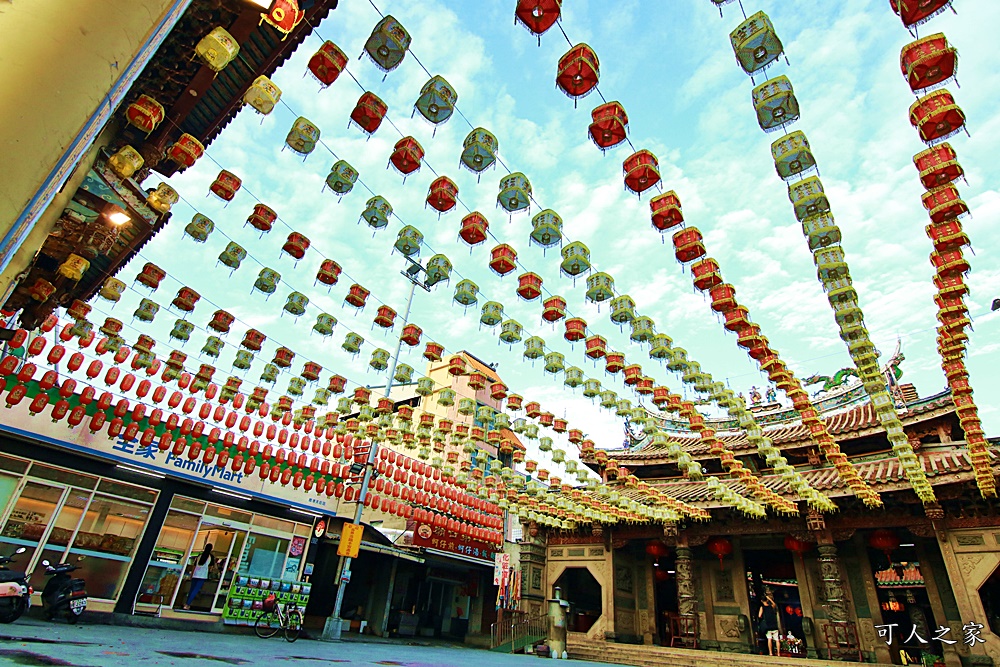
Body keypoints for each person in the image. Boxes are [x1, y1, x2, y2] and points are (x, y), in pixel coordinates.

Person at [183, 543, 215, 610]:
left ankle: (186, 603)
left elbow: (194, 566)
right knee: (195, 590)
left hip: (195, 574)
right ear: (211, 549)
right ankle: (187, 604)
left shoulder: (199, 555)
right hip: (202, 576)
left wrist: (191, 575)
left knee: (191, 590)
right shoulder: (211, 557)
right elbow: (211, 568)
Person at [758, 589, 780, 656]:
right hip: (774, 624)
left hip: (767, 625)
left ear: (761, 601)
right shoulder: (771, 606)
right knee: (777, 639)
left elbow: (759, 615)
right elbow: (774, 604)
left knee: (769, 639)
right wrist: (769, 599)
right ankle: (778, 653)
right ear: (767, 600)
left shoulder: (762, 607)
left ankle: (771, 653)